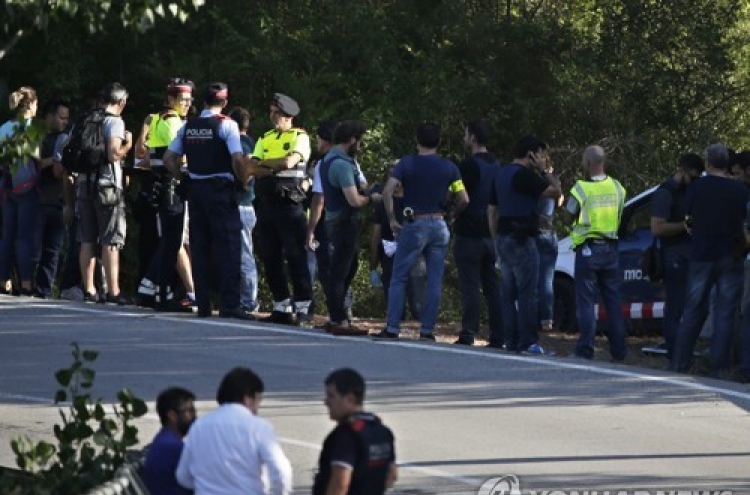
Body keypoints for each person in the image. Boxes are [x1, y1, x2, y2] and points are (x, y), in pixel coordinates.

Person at [163, 82, 252, 320]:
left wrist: (182, 177)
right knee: (229, 246)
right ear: (224, 103)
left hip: (196, 189)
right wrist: (242, 183)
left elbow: (169, 158)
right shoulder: (226, 124)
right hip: (220, 190)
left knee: (200, 247)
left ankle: (203, 304)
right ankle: (229, 304)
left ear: (202, 101)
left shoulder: (188, 126)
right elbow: (237, 159)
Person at [373, 123, 468, 340]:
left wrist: (392, 219)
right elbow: (464, 198)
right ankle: (427, 330)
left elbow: (387, 192)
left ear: (417, 141)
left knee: (398, 276)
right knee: (434, 279)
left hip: (415, 223)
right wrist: (451, 215)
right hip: (440, 225)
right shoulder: (449, 167)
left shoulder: (406, 164)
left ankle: (393, 327)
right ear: (439, 142)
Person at [671, 144, 748, 376]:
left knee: (693, 310)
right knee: (725, 312)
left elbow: (689, 216)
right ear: (726, 164)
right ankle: (720, 367)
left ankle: (680, 363)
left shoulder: (696, 188)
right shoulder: (740, 191)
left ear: (707, 163)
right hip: (730, 254)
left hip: (702, 254)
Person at [489, 136, 561, 354]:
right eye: (539, 154)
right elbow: (556, 191)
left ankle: (511, 340)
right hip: (522, 238)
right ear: (531, 153)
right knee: (527, 292)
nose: (542, 158)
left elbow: (491, 210)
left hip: (503, 236)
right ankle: (528, 341)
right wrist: (544, 171)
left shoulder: (501, 173)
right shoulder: (524, 175)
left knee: (508, 292)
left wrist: (495, 239)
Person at [175, 367, 292, 495]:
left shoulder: (199, 426)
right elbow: (281, 471)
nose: (259, 404)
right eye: (259, 398)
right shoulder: (258, 427)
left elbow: (183, 476)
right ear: (248, 398)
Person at [250, 93, 313, 325]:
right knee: (270, 256)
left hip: (290, 204)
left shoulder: (300, 137)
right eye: (271, 112)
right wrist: (269, 167)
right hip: (267, 205)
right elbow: (250, 168)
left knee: (296, 255)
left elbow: (289, 162)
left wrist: (265, 166)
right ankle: (281, 306)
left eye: (276, 113)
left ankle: (304, 306)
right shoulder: (265, 138)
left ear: (288, 116)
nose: (272, 117)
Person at [136, 78, 196, 312]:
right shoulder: (172, 122)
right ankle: (159, 291)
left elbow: (146, 154)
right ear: (171, 100)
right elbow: (177, 156)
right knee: (173, 239)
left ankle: (150, 287)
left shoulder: (160, 119)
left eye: (190, 100)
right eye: (183, 100)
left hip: (161, 184)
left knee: (172, 239)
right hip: (171, 184)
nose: (188, 104)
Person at [315, 120, 378, 335]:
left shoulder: (329, 160)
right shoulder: (341, 164)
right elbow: (354, 200)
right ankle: (339, 320)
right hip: (344, 221)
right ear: (351, 140)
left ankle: (337, 315)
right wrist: (370, 198)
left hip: (336, 221)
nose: (360, 146)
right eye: (359, 141)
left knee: (348, 267)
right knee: (339, 272)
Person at [565, 145, 627, 361]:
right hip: (611, 249)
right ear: (604, 162)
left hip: (589, 249)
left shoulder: (582, 188)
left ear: (586, 163)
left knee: (586, 302)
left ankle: (585, 350)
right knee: (613, 301)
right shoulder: (618, 187)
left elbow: (568, 214)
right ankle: (619, 352)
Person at [75, 82, 131, 305]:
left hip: (83, 185)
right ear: (121, 102)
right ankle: (113, 291)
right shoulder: (115, 121)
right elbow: (114, 153)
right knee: (110, 240)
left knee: (87, 239)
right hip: (107, 186)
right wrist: (128, 142)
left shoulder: (85, 120)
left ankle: (89, 289)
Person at [645, 153, 704, 357]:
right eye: (693, 176)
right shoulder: (666, 193)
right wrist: (685, 226)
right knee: (676, 308)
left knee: (692, 308)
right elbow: (657, 228)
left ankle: (683, 353)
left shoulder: (692, 190)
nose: (695, 181)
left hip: (692, 256)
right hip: (675, 256)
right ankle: (675, 355)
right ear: (682, 171)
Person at [453, 120, 503, 347]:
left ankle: (468, 332)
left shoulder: (468, 165)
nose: (464, 138)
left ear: (472, 137)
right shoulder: (497, 165)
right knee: (492, 285)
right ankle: (498, 334)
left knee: (470, 285)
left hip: (469, 230)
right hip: (491, 231)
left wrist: (453, 212)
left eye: (466, 134)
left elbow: (462, 197)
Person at [313, 368, 397, 495]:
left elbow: (340, 484)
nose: (326, 402)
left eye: (331, 396)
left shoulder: (346, 435)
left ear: (350, 399)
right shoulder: (382, 431)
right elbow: (391, 476)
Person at [369, 162, 426, 322]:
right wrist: (373, 266)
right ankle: (395, 331)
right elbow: (375, 235)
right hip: (390, 254)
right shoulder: (383, 203)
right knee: (395, 305)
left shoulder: (415, 201)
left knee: (418, 304)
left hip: (414, 254)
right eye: (392, 175)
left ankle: (423, 335)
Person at [0, 86, 40, 296]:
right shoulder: (34, 128)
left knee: (7, 235)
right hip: (28, 187)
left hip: (7, 187)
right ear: (32, 104)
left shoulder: (5, 128)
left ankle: (3, 278)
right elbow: (38, 158)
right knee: (24, 238)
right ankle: (26, 283)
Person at [34, 99, 70, 298]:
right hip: (38, 199)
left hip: (58, 201)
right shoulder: (38, 137)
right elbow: (36, 163)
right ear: (49, 117)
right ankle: (27, 285)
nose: (65, 122)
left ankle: (45, 290)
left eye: (67, 119)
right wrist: (57, 158)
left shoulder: (65, 138)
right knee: (35, 249)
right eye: (61, 117)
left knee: (53, 252)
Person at [228, 106, 259, 315]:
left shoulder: (240, 143)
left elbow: (246, 165)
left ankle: (249, 301)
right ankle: (244, 298)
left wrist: (244, 181)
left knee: (244, 254)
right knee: (242, 253)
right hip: (246, 205)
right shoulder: (252, 142)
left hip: (241, 205)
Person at [142, 387, 196, 495]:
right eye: (189, 411)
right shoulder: (173, 448)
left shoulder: (164, 441)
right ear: (172, 416)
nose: (194, 416)